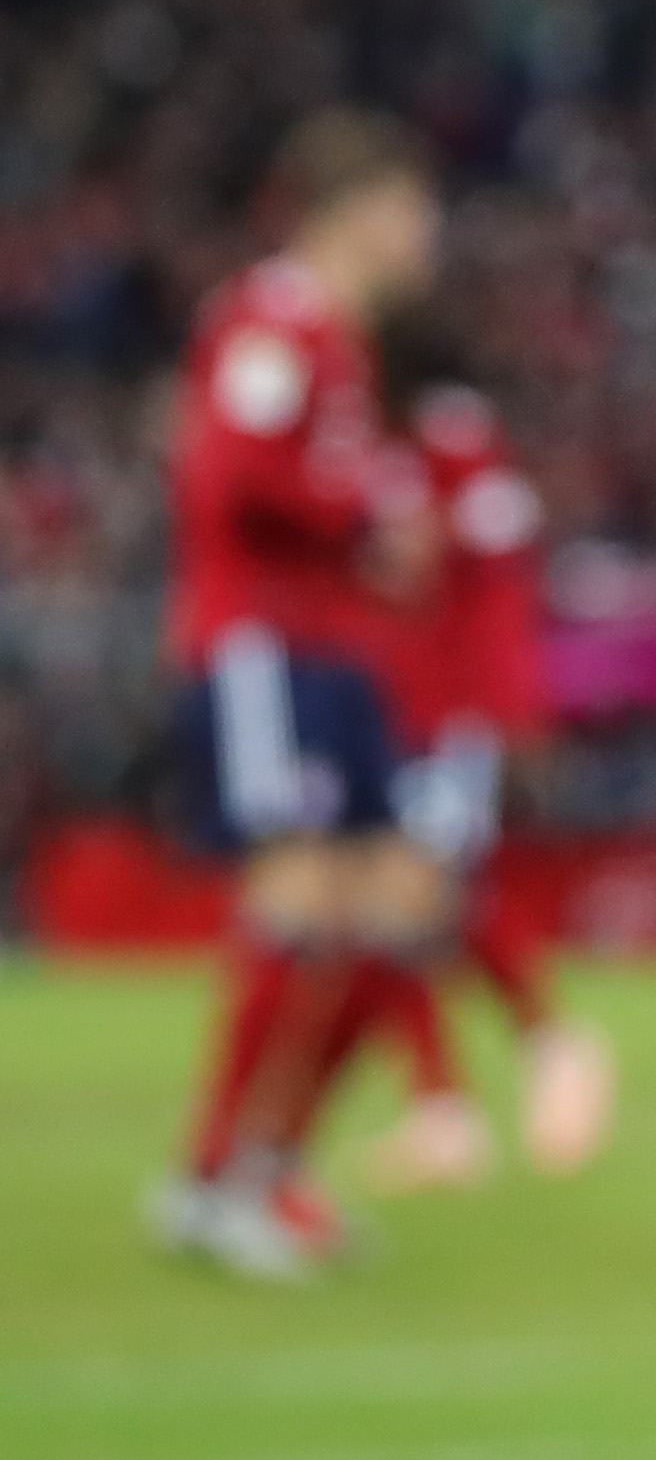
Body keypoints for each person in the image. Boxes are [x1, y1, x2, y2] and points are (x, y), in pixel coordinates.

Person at [146, 110, 445, 1281]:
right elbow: (230, 474)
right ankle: (215, 1177)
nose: (425, 232)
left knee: (400, 908)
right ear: (351, 208)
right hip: (264, 644)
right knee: (299, 895)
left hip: (336, 647)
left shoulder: (339, 338)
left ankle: (268, 1165)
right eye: (410, 207)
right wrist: (368, 515)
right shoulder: (273, 319)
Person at [350, 338, 617, 1191]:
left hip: (441, 706)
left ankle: (542, 1045)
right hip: (376, 697)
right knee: (392, 901)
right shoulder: (370, 435)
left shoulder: (451, 439)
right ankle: (450, 1105)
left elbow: (497, 581)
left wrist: (510, 703)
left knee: (424, 889)